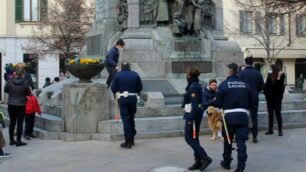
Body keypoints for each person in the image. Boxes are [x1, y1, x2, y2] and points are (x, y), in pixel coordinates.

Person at [213, 63, 252, 172]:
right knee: (241, 141)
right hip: (242, 115)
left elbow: (218, 103)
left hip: (229, 117)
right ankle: (241, 166)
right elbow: (251, 100)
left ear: (229, 71)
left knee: (228, 140)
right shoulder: (245, 85)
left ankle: (227, 162)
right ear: (237, 71)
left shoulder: (224, 85)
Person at [182, 67, 212, 171]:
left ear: (189, 75)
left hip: (193, 115)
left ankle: (205, 158)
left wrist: (190, 118)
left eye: (187, 74)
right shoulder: (194, 85)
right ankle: (198, 161)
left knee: (189, 138)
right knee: (194, 138)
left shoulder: (193, 86)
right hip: (193, 113)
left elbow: (194, 104)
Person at [111, 61, 143, 149]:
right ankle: (132, 139)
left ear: (122, 67)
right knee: (131, 118)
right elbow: (140, 88)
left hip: (123, 100)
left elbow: (113, 88)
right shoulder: (135, 74)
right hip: (133, 100)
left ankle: (128, 141)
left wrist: (117, 95)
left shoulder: (117, 75)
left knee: (126, 120)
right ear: (129, 66)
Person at [239, 56, 264, 143]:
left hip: (244, 98)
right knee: (254, 117)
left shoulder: (241, 73)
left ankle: (244, 135)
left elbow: (239, 86)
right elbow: (262, 86)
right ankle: (254, 136)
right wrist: (256, 91)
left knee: (244, 117)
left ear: (245, 63)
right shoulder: (258, 73)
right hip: (254, 97)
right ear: (252, 63)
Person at [4, 68, 30, 147]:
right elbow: (28, 92)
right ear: (22, 74)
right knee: (20, 123)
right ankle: (18, 141)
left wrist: (12, 93)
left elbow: (6, 90)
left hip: (11, 104)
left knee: (12, 122)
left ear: (15, 73)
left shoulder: (9, 81)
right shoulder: (25, 82)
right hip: (21, 105)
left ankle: (11, 140)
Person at [264, 64, 286, 136]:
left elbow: (279, 85)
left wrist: (279, 76)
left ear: (274, 69)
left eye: (271, 68)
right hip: (270, 98)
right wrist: (266, 94)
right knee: (270, 114)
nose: (270, 70)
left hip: (277, 99)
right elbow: (266, 86)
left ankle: (280, 130)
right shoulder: (269, 76)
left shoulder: (281, 76)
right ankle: (270, 129)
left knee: (278, 114)